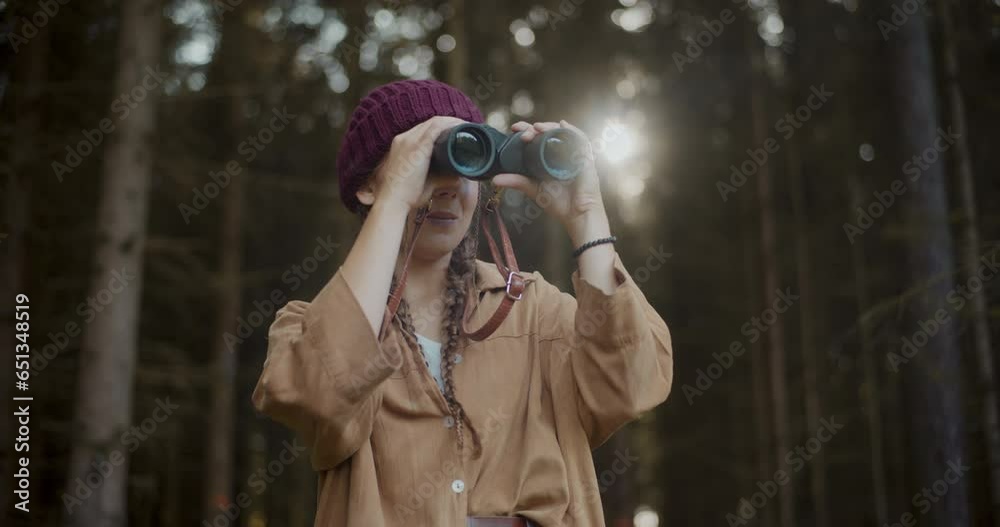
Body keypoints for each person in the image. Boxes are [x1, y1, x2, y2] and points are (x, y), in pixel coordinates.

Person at [251, 79, 674, 527]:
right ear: (367, 186)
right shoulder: (307, 326)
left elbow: (633, 383)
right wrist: (396, 200)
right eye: (430, 163)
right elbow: (318, 394)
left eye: (466, 159)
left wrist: (586, 213)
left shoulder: (536, 312)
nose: (450, 186)